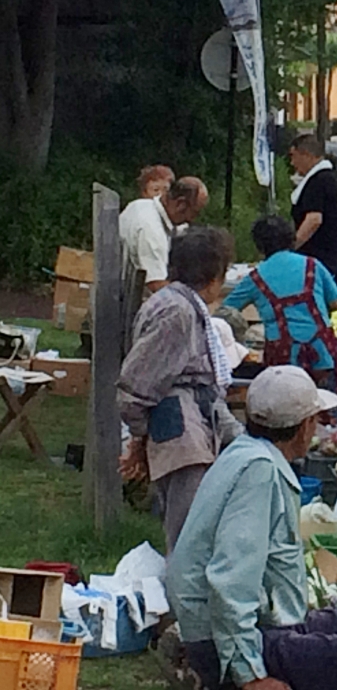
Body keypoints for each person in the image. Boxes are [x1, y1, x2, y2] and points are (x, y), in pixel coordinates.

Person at [168, 365, 337, 690]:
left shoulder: (248, 452)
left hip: (263, 624)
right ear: (306, 426)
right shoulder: (258, 473)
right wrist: (250, 674)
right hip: (224, 641)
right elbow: (230, 580)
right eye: (316, 420)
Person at [117, 227, 243, 552]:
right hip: (182, 437)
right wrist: (140, 435)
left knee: (191, 532)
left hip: (190, 426)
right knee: (189, 539)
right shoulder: (177, 313)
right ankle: (180, 599)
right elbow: (137, 384)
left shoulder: (181, 305)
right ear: (214, 276)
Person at [222, 217, 337, 422]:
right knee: (332, 409)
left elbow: (225, 312)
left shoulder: (255, 278)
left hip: (284, 357)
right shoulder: (312, 265)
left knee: (287, 415)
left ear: (260, 246)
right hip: (323, 352)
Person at [289, 134, 337, 395]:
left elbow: (314, 219)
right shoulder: (334, 182)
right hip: (333, 260)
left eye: (293, 156)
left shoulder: (317, 183)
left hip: (319, 262)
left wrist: (289, 248)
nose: (292, 162)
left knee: (329, 319)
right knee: (334, 315)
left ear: (306, 154)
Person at [120, 176, 209, 352]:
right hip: (127, 309)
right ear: (181, 204)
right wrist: (196, 307)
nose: (192, 219)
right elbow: (157, 285)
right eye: (195, 212)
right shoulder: (150, 231)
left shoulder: (141, 206)